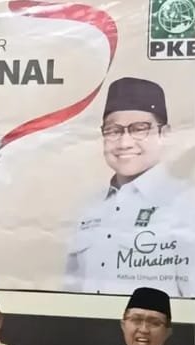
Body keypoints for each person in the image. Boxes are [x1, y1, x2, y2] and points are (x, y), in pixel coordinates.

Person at [64, 77, 194, 297]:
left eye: (140, 129)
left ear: (164, 134)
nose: (124, 143)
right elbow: (69, 295)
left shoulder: (186, 204)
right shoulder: (89, 209)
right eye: (113, 130)